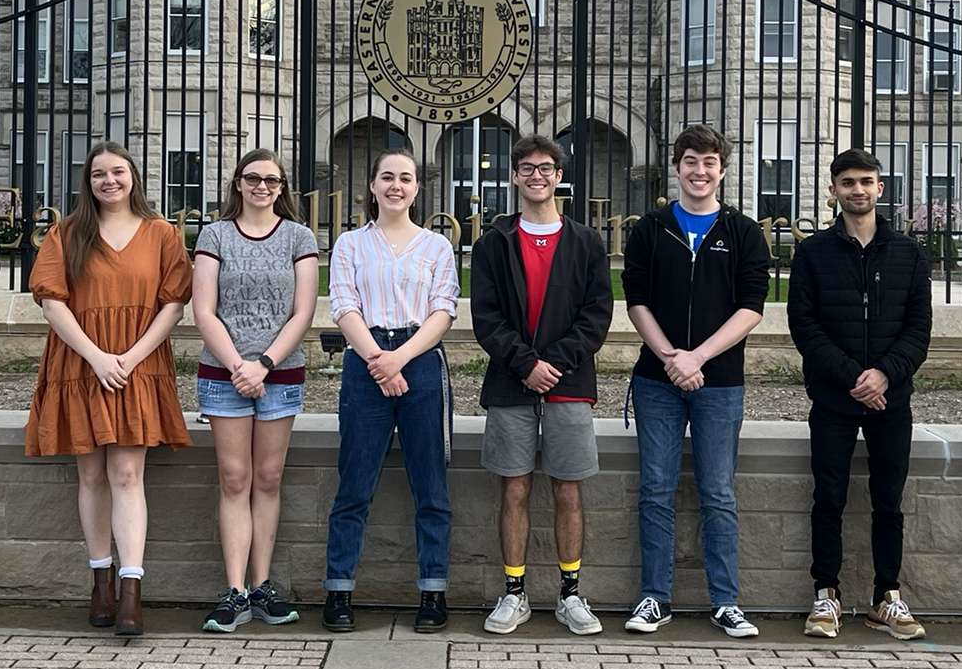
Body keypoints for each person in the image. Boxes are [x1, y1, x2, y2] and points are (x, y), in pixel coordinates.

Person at [24, 141, 191, 639]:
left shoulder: (163, 234)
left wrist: (130, 359)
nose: (109, 181)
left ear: (134, 176)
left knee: (126, 473)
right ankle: (100, 583)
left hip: (138, 363)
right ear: (87, 181)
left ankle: (131, 590)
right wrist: (96, 358)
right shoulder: (68, 233)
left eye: (118, 171)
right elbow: (51, 301)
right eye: (99, 174)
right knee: (91, 473)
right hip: (80, 364)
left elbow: (174, 304)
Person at [620, 124, 772, 639]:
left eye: (708, 162)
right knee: (656, 489)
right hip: (657, 380)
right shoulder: (651, 228)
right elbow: (635, 298)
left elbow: (752, 307)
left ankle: (726, 601)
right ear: (676, 167)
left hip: (720, 381)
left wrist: (698, 357)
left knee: (718, 493)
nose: (699, 171)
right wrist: (669, 356)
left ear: (722, 170)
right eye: (690, 161)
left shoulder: (744, 232)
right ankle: (653, 598)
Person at [469, 135, 612, 638]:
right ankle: (515, 593)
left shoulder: (586, 242)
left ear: (558, 176)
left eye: (546, 168)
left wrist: (553, 363)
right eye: (526, 168)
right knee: (514, 486)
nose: (536, 176)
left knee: (568, 489)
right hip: (511, 384)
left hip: (569, 385)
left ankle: (571, 594)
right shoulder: (493, 242)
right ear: (513, 176)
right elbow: (485, 318)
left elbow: (597, 317)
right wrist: (526, 364)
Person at [788, 149, 932, 641]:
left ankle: (886, 597)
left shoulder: (909, 254)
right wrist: (855, 377)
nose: (858, 190)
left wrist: (884, 376)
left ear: (880, 188)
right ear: (833, 190)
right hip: (833, 396)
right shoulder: (813, 253)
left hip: (891, 398)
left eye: (866, 181)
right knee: (828, 496)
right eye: (847, 182)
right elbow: (804, 326)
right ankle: (825, 595)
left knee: (888, 499)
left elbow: (918, 329)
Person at [321, 148, 458, 635]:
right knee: (355, 482)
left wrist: (399, 359)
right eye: (387, 177)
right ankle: (339, 591)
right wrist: (380, 361)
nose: (396, 185)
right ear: (373, 187)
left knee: (430, 486)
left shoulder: (437, 247)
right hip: (366, 360)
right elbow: (343, 305)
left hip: (419, 363)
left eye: (405, 178)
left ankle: (433, 591)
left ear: (418, 188)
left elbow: (443, 311)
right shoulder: (351, 245)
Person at [190, 149, 320, 632]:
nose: (262, 187)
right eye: (253, 178)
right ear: (238, 184)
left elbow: (303, 312)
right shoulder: (216, 235)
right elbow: (204, 310)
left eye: (272, 180)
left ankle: (262, 586)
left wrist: (264, 364)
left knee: (268, 478)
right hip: (224, 373)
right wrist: (238, 366)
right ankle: (235, 591)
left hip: (279, 374)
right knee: (233, 478)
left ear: (282, 187)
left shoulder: (298, 237)